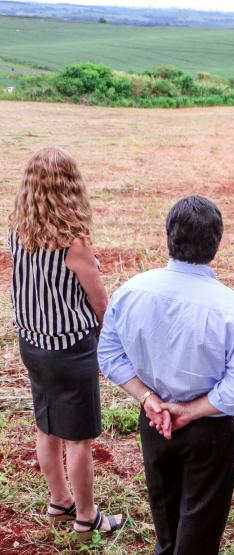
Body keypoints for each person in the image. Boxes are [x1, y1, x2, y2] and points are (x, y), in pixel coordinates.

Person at [98, 195, 234, 554]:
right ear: (217, 243)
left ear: (168, 236)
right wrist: (189, 412)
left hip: (155, 423)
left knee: (166, 523)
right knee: (199, 531)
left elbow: (108, 354)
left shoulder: (132, 291)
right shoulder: (230, 307)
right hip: (208, 430)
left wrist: (149, 400)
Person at [8, 146, 124, 541]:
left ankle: (59, 500)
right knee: (79, 440)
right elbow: (100, 302)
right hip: (70, 351)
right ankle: (87, 518)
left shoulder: (16, 232)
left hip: (32, 345)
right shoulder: (73, 244)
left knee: (47, 427)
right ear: (70, 187)